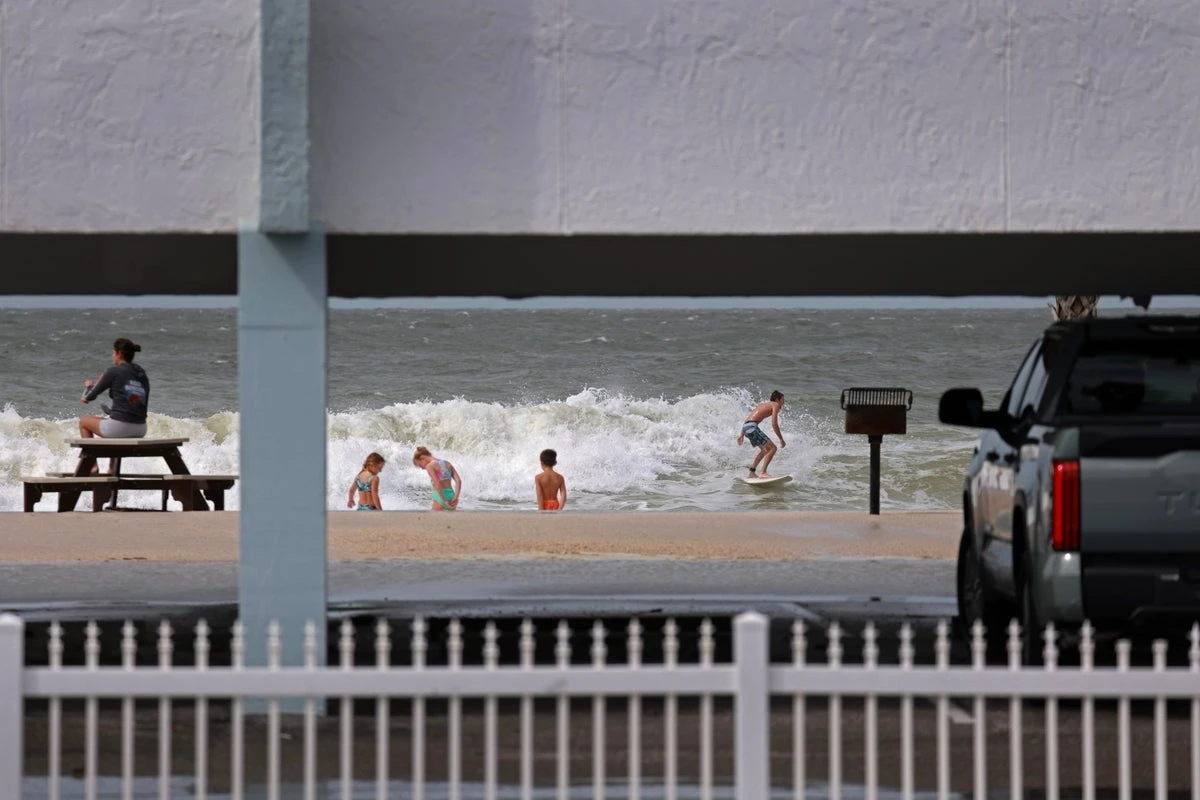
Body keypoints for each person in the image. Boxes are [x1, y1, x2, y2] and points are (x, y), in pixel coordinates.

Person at [79, 337, 150, 474]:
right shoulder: (142, 374)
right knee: (114, 425)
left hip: (121, 427)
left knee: (84, 422)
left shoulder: (114, 371)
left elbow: (89, 397)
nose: (112, 356)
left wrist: (89, 386)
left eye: (113, 353)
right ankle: (112, 469)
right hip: (141, 428)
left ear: (118, 353)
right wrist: (111, 412)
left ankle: (92, 466)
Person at [738, 390, 786, 478]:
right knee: (773, 448)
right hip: (752, 427)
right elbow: (774, 424)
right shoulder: (775, 405)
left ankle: (752, 472)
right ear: (777, 400)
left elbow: (747, 419)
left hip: (746, 427)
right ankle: (763, 472)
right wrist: (781, 439)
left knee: (765, 450)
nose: (784, 402)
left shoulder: (762, 405)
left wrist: (741, 434)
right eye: (782, 400)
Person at [413, 446, 462, 511]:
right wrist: (456, 497)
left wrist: (443, 500)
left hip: (440, 496)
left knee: (435, 519)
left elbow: (437, 483)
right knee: (449, 520)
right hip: (451, 495)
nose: (422, 468)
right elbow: (458, 481)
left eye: (420, 465)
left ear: (422, 458)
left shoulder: (430, 466)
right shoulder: (447, 463)